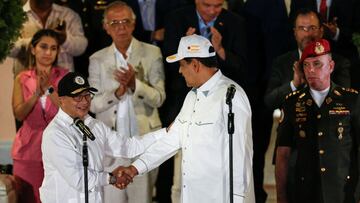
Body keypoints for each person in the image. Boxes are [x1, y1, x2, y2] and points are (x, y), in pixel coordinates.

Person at [118, 34, 255, 203]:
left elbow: (241, 154)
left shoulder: (230, 96)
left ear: (196, 65)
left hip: (221, 197)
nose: (180, 71)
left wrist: (238, 199)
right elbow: (172, 139)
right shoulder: (192, 97)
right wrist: (134, 168)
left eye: (182, 65)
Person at [39, 72, 164, 203]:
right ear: (61, 100)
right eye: (77, 97)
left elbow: (129, 147)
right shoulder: (55, 133)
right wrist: (112, 178)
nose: (85, 101)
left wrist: (166, 133)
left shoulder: (94, 125)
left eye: (87, 95)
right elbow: (80, 179)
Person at [88, 1, 166, 203]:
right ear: (106, 27)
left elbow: (159, 98)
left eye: (125, 22)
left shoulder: (152, 53)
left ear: (133, 24)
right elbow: (93, 105)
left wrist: (135, 85)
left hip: (143, 141)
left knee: (143, 198)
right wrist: (118, 92)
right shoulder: (97, 59)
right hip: (111, 144)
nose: (121, 27)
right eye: (114, 23)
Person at [275, 39, 360, 203]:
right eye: (306, 65)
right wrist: (281, 196)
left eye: (317, 64)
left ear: (331, 66)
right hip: (305, 192)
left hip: (342, 192)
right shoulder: (292, 102)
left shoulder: (351, 100)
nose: (311, 70)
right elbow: (282, 153)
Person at [11, 29, 68, 203]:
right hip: (28, 150)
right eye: (43, 47)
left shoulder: (65, 76)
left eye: (53, 48)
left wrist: (50, 88)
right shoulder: (22, 78)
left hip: (59, 148)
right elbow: (19, 114)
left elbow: (70, 111)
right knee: (29, 198)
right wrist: (36, 93)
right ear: (33, 49)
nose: (48, 52)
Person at [265, 8, 351, 111]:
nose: (307, 34)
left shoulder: (339, 63)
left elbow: (345, 102)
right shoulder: (281, 62)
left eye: (312, 28)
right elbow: (269, 102)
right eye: (302, 28)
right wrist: (294, 84)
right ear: (295, 32)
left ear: (321, 31)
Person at [9, 0, 88, 76]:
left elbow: (81, 48)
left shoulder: (69, 15)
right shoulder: (15, 15)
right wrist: (35, 42)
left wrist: (64, 40)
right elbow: (8, 49)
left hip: (63, 83)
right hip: (26, 84)